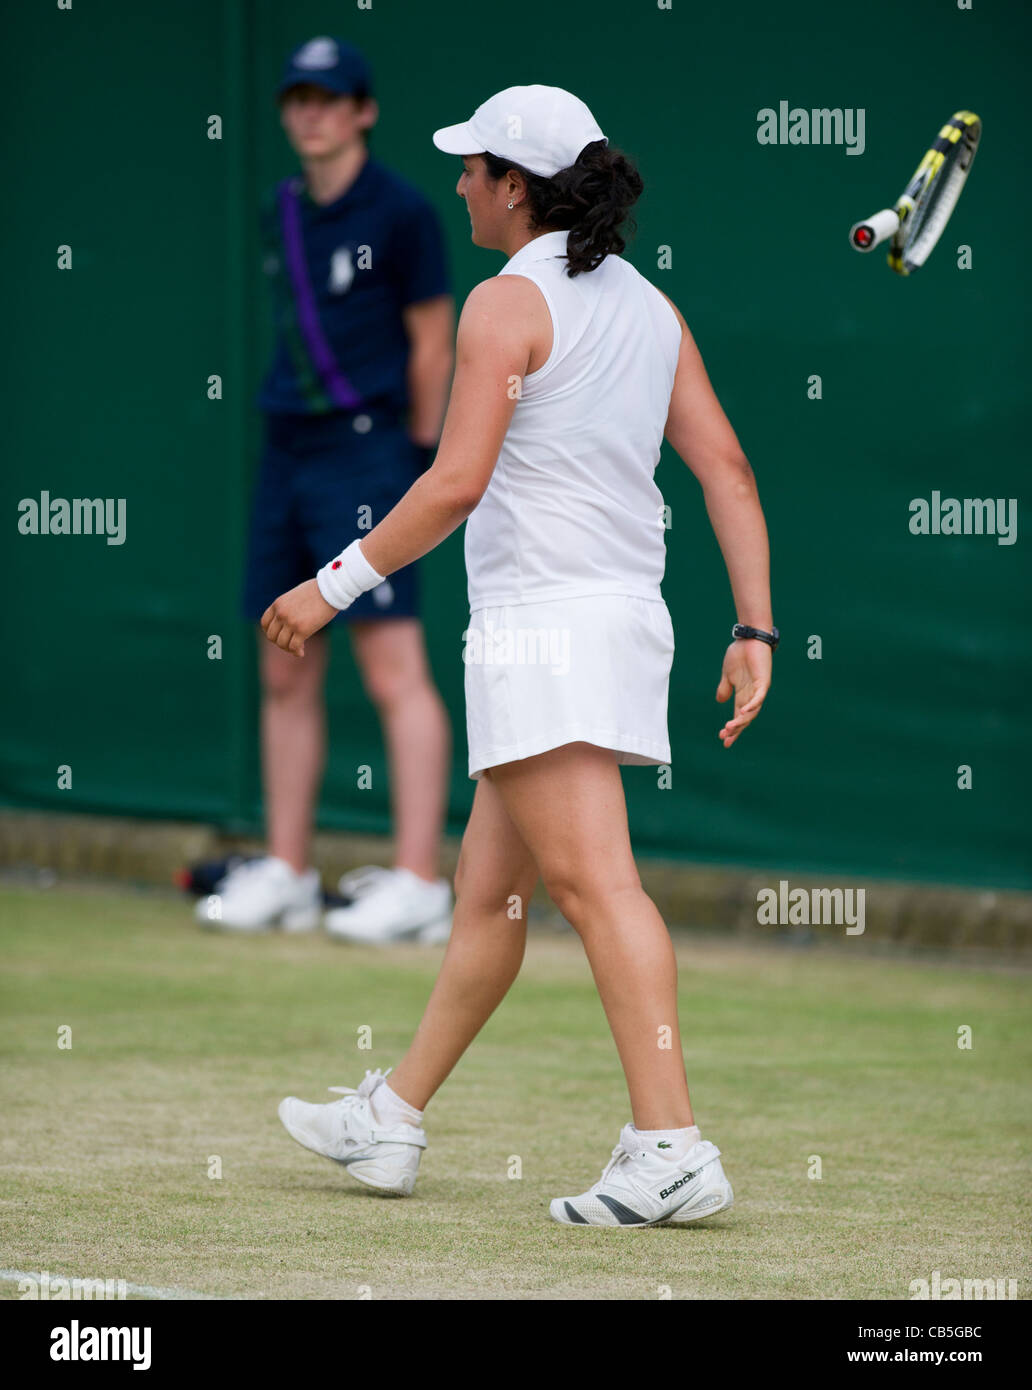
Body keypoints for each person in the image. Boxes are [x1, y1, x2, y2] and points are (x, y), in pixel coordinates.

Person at [264, 85, 776, 1226]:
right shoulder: (653, 308)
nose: (456, 185)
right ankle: (392, 1116)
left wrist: (329, 585)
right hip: (615, 625)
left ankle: (670, 1144)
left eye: (472, 168)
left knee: (598, 888)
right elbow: (728, 469)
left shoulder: (506, 304)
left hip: (547, 633)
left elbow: (454, 482)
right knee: (488, 896)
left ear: (516, 185)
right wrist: (753, 628)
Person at [201, 37, 456, 944]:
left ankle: (422, 884)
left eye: (328, 97)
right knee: (282, 661)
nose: (309, 112)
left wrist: (416, 460)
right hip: (286, 452)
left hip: (373, 453)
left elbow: (435, 340)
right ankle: (289, 872)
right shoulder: (279, 211)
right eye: (296, 98)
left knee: (393, 670)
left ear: (363, 111)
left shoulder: (405, 214)